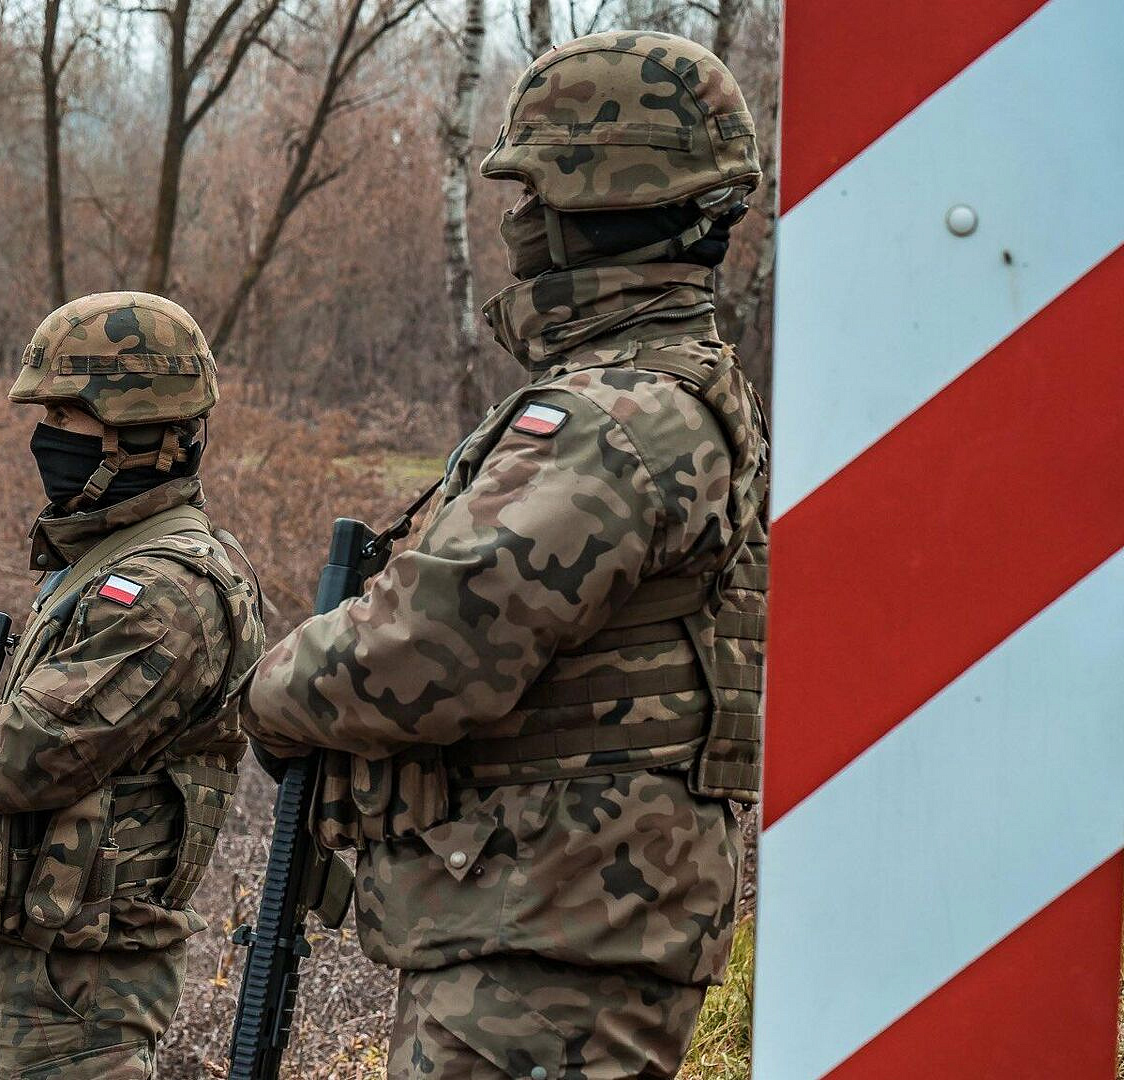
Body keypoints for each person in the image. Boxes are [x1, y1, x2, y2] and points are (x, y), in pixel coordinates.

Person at [239, 31, 769, 1079]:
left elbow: (425, 650)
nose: (517, 220)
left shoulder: (614, 416)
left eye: (534, 192)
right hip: (548, 920)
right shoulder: (660, 387)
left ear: (596, 203)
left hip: (556, 932)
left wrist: (270, 691)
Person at [0, 291, 266, 1079]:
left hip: (91, 983)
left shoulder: (165, 591)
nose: (45, 440)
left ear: (138, 436)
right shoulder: (102, 564)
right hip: (58, 968)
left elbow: (29, 753)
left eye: (68, 419)